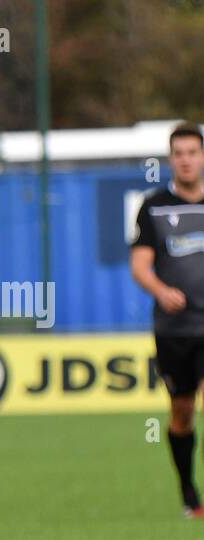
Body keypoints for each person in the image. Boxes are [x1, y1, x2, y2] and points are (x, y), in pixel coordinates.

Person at [130, 122, 204, 518]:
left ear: (203, 156)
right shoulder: (154, 206)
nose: (186, 160)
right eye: (179, 153)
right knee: (182, 412)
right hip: (174, 330)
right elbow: (140, 265)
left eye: (193, 152)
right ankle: (190, 495)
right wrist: (161, 291)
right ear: (171, 158)